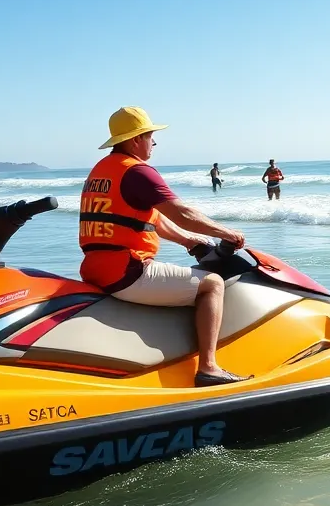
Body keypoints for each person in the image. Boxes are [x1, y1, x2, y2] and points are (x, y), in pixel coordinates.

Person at [78, 106, 250, 386]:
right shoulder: (138, 173)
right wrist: (226, 232)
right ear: (136, 139)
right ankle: (209, 367)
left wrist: (187, 241)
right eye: (151, 137)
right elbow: (182, 214)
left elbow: (148, 220)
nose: (154, 144)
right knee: (213, 284)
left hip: (94, 269)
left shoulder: (102, 172)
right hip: (128, 271)